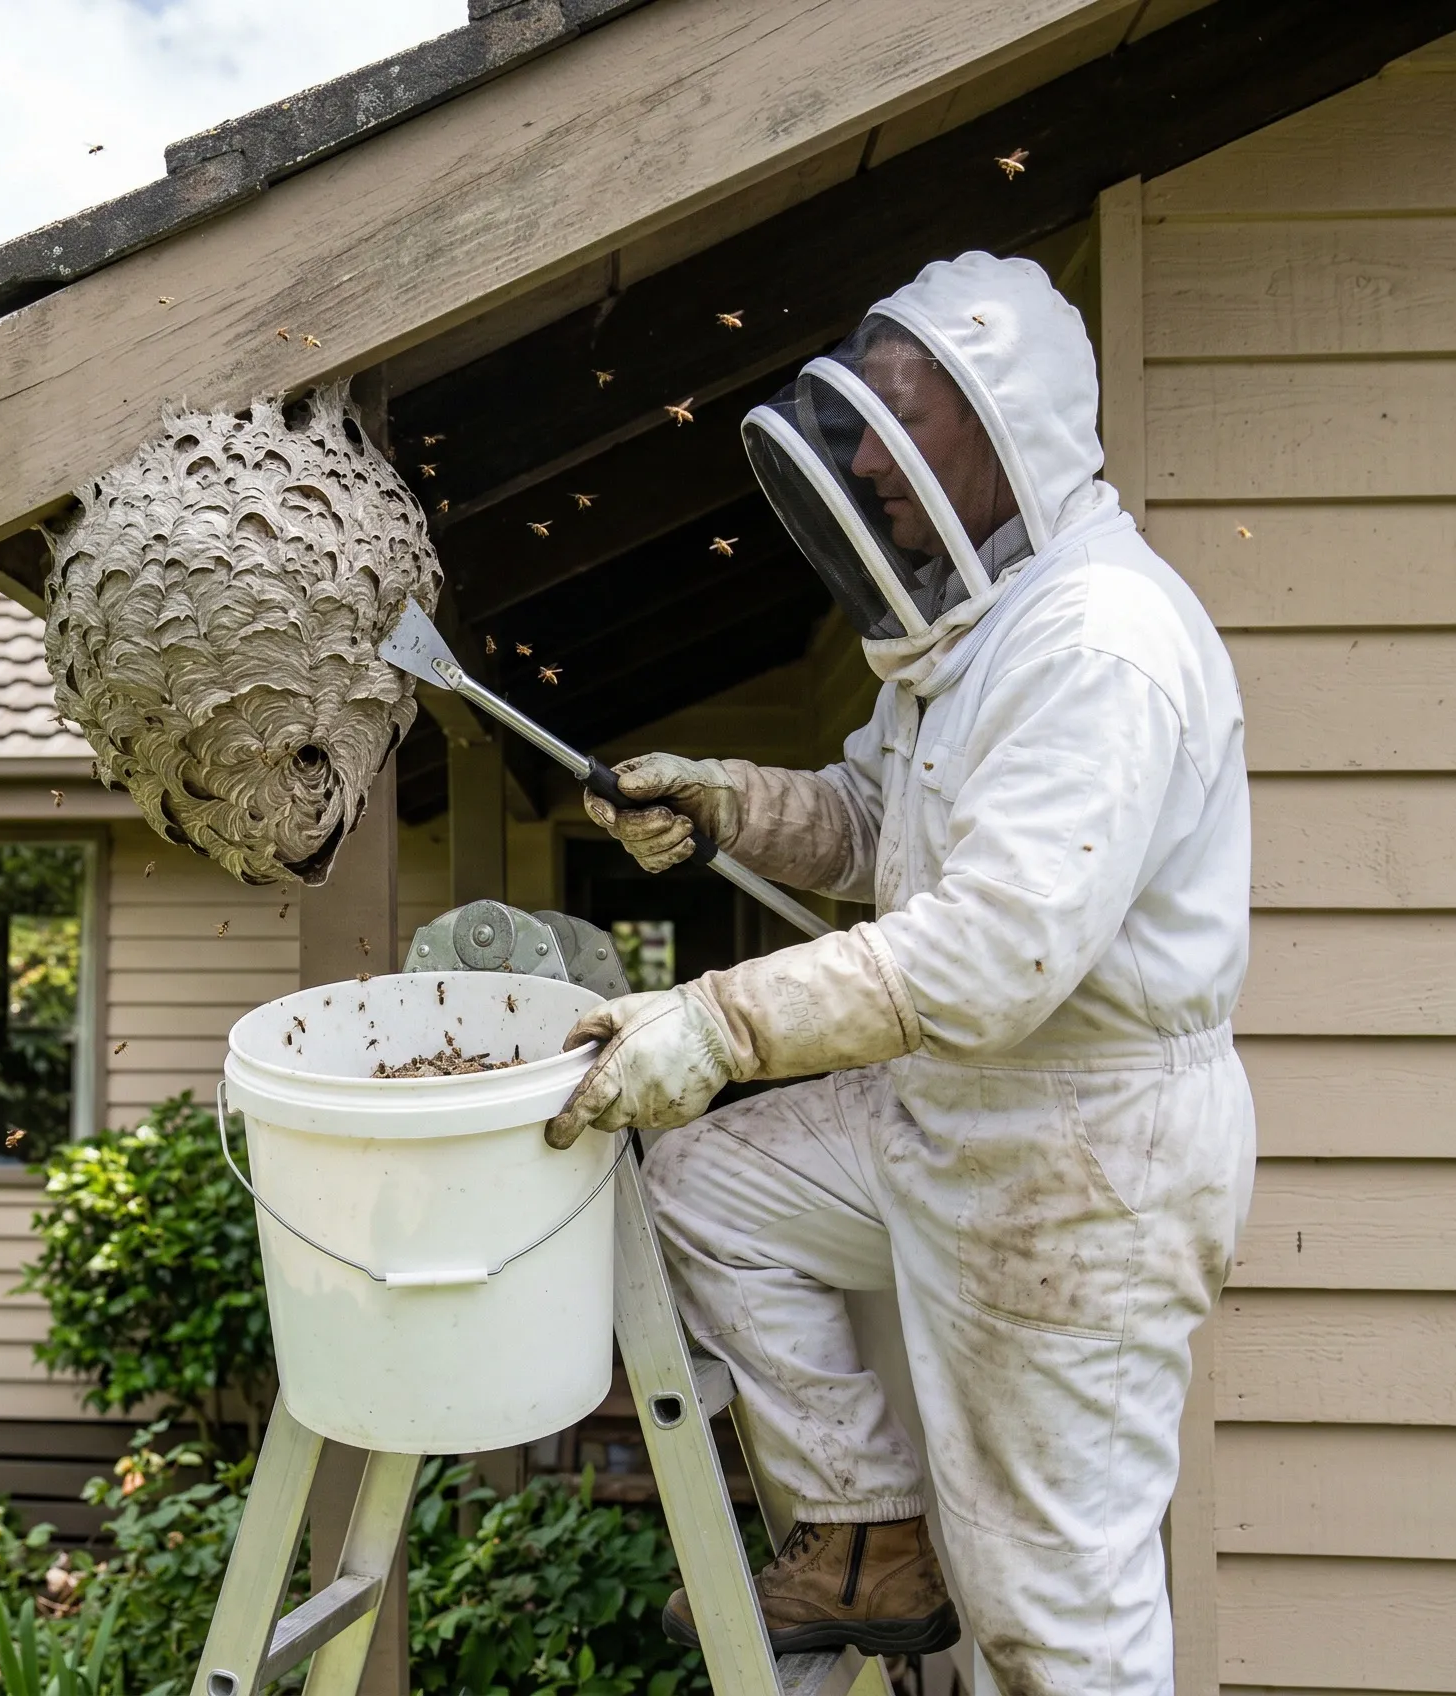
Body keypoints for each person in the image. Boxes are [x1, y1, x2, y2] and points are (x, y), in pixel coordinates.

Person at [546, 252, 1255, 1694]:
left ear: (1006, 429)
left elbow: (996, 953)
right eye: (860, 419)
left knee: (1054, 1616)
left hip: (1083, 1158)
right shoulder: (967, 634)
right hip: (956, 1113)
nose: (865, 457)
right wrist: (732, 800)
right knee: (705, 1188)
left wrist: (722, 1022)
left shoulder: (1098, 641)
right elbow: (882, 829)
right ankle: (869, 1533)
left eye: (904, 418)